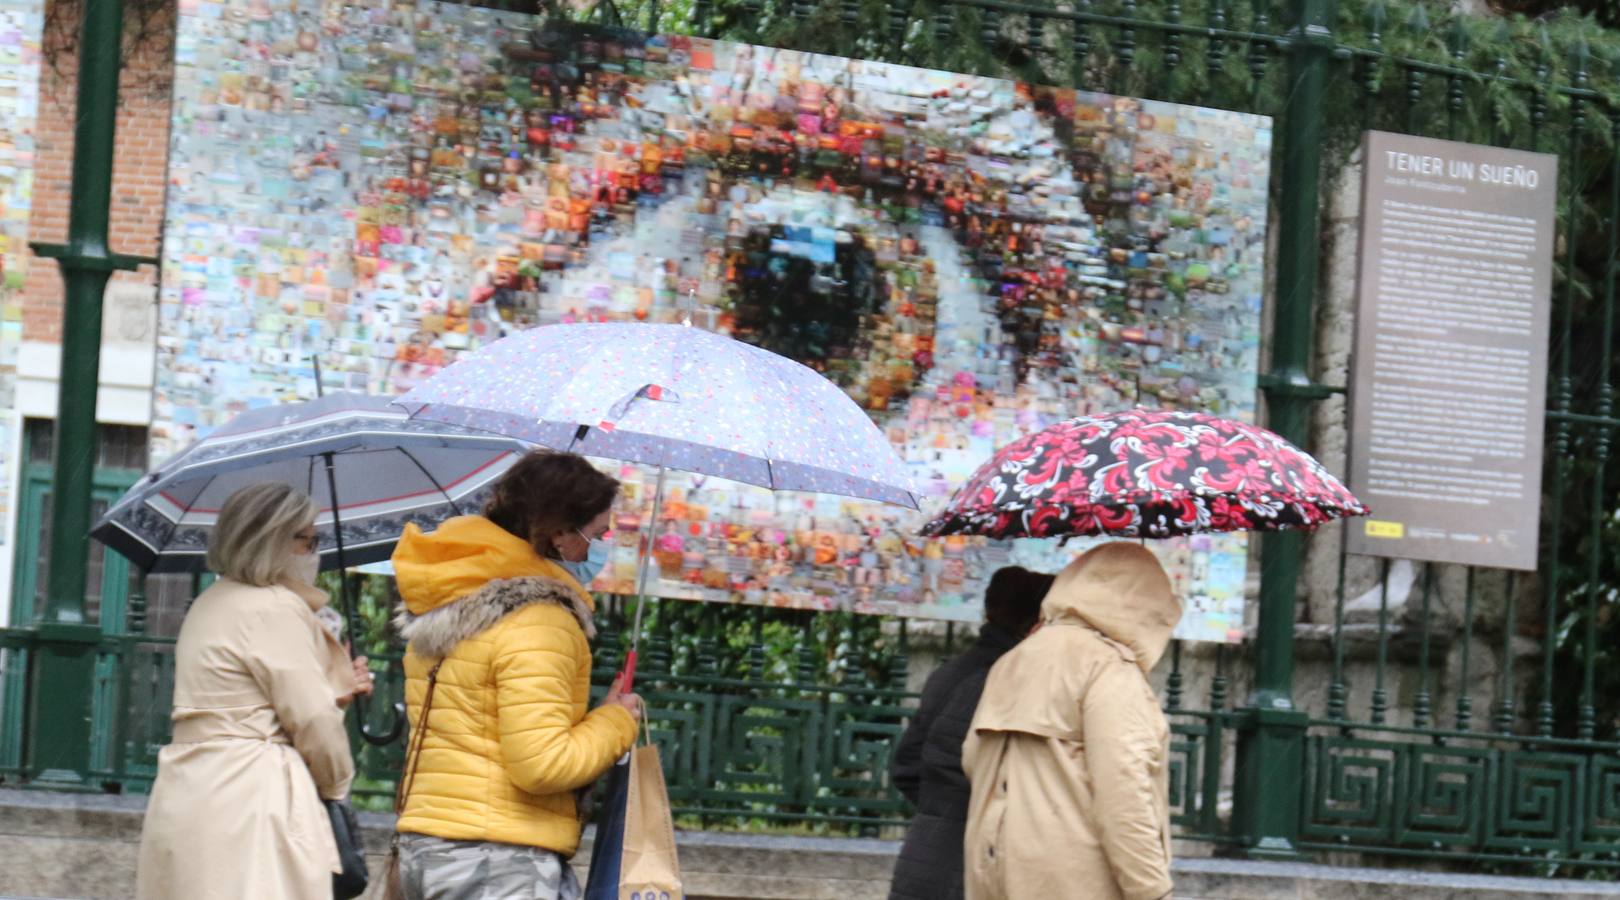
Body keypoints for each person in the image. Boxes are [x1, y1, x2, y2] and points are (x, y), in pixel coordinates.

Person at [391, 450, 641, 900]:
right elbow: (543, 766)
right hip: (497, 862)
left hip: (426, 850)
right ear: (560, 533)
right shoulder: (540, 621)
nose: (599, 548)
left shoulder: (447, 599)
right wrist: (617, 720)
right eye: (597, 533)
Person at [136, 483, 372, 900]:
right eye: (307, 540)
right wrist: (336, 785)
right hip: (252, 798)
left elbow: (242, 699)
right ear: (272, 540)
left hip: (189, 791)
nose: (314, 552)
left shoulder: (210, 602)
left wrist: (335, 690)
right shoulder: (274, 606)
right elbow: (313, 721)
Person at [963, 542, 1183, 900]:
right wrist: (1152, 891)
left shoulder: (1013, 660)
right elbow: (1124, 796)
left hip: (993, 868)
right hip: (1074, 878)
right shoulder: (1109, 669)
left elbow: (973, 760)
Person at [888, 566, 1055, 900]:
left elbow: (906, 766)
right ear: (1037, 623)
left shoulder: (950, 671)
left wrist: (939, 812)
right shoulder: (1012, 682)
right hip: (973, 870)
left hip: (922, 857)